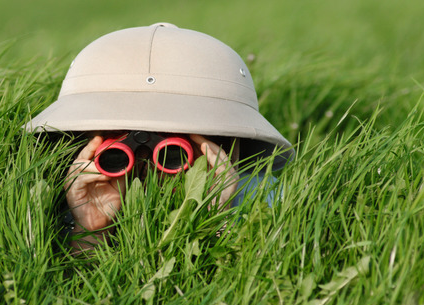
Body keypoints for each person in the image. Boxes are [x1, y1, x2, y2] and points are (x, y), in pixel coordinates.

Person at [25, 23, 293, 253]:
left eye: (172, 152)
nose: (147, 163)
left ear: (222, 144)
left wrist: (212, 218)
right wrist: (89, 230)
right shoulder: (63, 197)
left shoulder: (263, 196)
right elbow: (72, 301)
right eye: (118, 150)